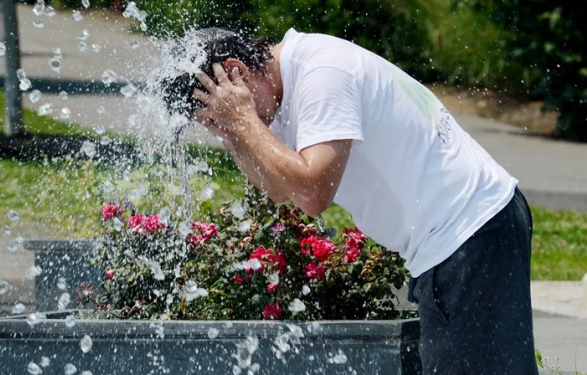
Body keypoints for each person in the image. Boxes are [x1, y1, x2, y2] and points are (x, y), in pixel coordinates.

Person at [161, 28, 537, 374]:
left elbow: (312, 192)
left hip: (470, 233)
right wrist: (238, 129)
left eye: (218, 116)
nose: (226, 126)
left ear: (235, 72)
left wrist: (243, 119)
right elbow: (275, 188)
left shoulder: (321, 74)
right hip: (459, 240)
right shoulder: (281, 89)